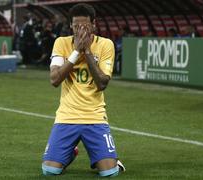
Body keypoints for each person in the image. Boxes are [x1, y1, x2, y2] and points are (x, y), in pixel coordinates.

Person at [42, 3, 125, 177]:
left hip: (94, 116)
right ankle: (70, 153)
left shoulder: (105, 45)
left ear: (94, 24)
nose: (80, 30)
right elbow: (54, 80)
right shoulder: (61, 43)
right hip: (67, 116)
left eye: (84, 26)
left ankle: (109, 159)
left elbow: (102, 83)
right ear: (70, 25)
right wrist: (75, 52)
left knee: (110, 173)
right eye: (76, 26)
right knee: (49, 171)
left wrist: (86, 51)